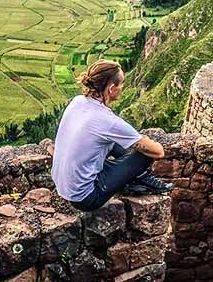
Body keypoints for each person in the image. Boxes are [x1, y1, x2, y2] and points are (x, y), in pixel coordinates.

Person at [51, 60, 173, 212]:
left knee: (116, 141)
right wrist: (144, 140)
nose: (122, 88)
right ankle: (140, 178)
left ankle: (139, 178)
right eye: (121, 84)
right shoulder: (108, 122)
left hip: (63, 185)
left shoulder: (78, 101)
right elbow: (158, 152)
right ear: (111, 88)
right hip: (85, 198)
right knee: (145, 155)